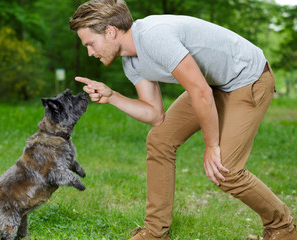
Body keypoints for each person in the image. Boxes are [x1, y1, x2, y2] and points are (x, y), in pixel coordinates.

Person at [69, 0, 297, 239]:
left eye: (90, 44)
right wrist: (112, 96)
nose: (90, 52)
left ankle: (283, 226)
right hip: (212, 85)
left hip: (248, 78)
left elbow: (200, 92)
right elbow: (155, 115)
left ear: (110, 31)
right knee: (160, 140)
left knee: (226, 169)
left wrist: (212, 146)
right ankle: (156, 232)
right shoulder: (131, 62)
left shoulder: (154, 37)